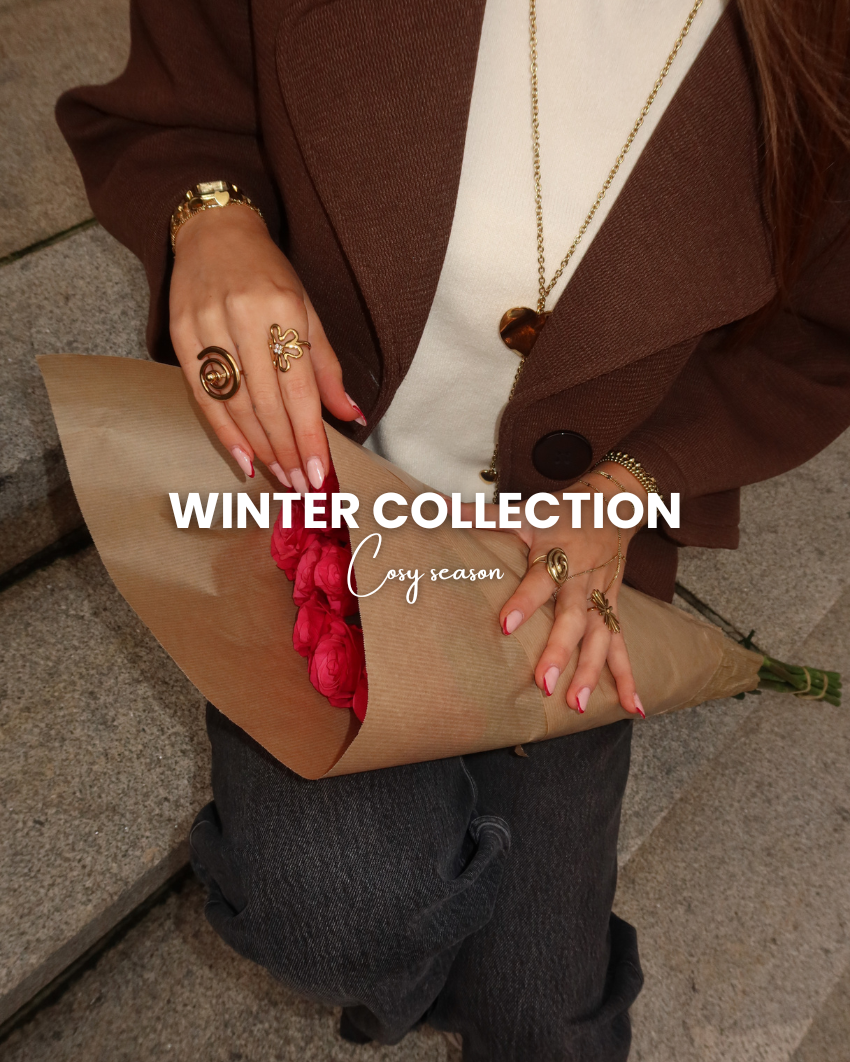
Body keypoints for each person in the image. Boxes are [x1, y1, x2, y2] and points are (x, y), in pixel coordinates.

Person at [57, 0, 850, 1057]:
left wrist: (634, 484)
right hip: (326, 503)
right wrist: (211, 218)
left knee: (537, 1017)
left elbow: (821, 333)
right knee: (335, 916)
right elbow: (182, 102)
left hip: (573, 548)